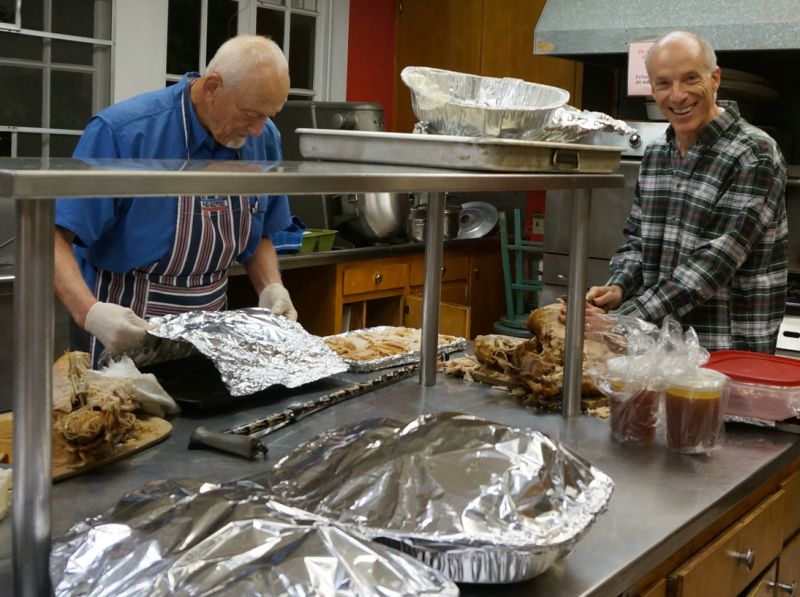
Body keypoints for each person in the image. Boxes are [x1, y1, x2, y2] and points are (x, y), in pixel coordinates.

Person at [54, 35, 298, 365]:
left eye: (269, 116)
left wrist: (271, 287)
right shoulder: (124, 134)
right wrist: (90, 313)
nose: (257, 130)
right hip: (126, 325)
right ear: (212, 87)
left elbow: (262, 232)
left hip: (211, 331)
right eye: (250, 114)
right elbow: (52, 239)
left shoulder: (263, 138)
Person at [584, 30, 788, 353]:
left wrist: (619, 321)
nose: (677, 96)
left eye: (690, 79)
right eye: (664, 83)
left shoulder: (754, 153)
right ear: (652, 89)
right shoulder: (655, 156)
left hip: (727, 354)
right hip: (661, 350)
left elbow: (711, 266)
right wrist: (621, 285)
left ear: (715, 78)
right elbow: (638, 241)